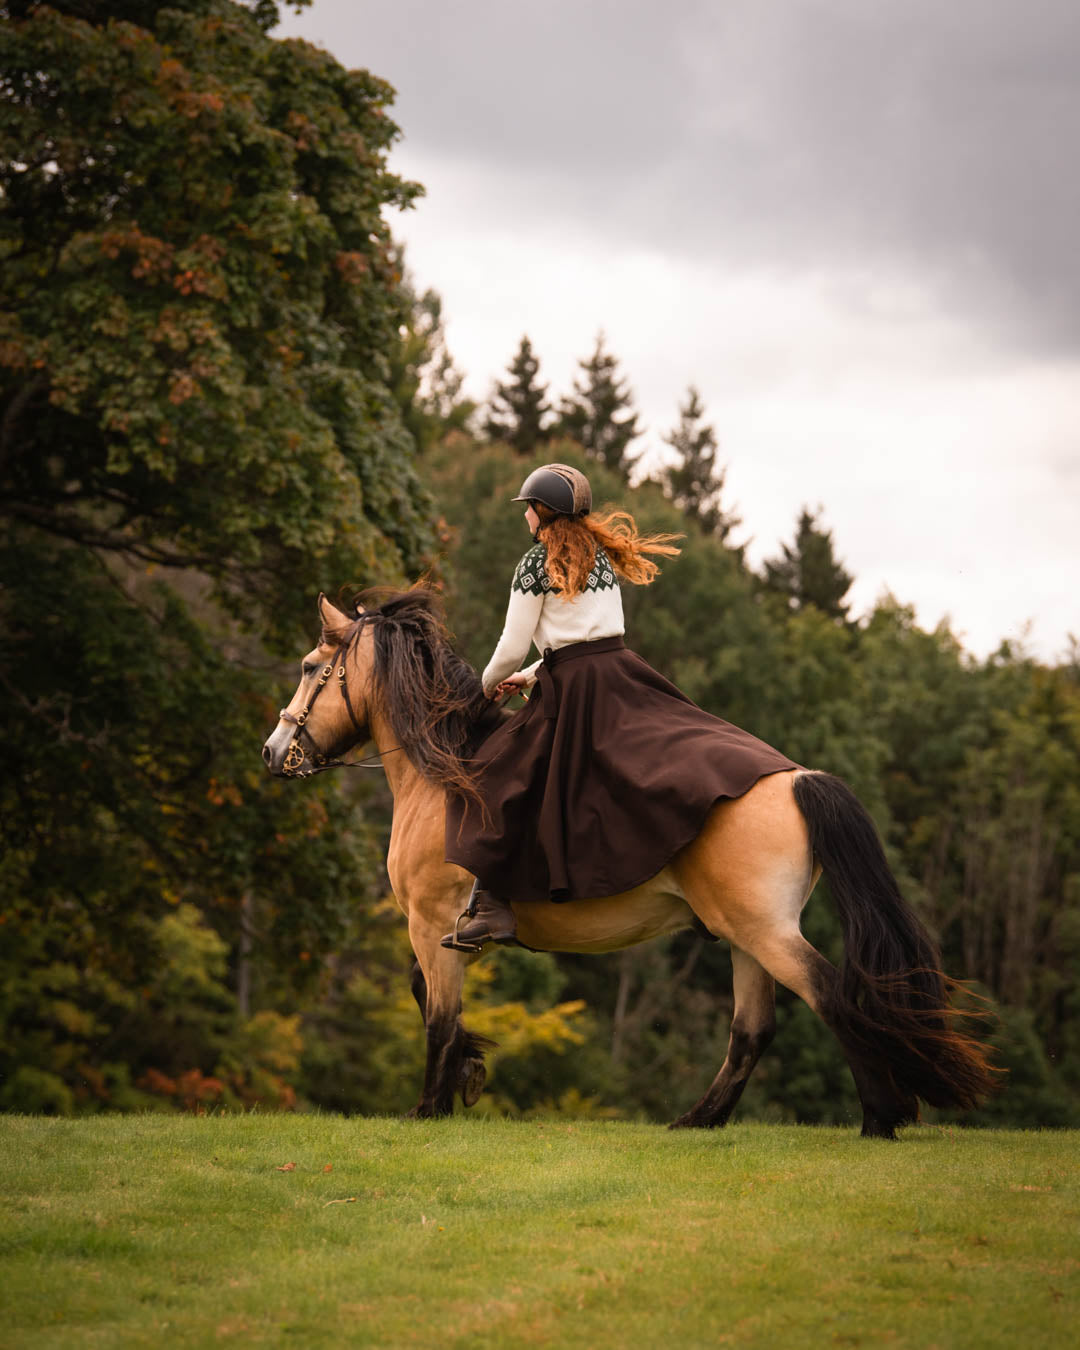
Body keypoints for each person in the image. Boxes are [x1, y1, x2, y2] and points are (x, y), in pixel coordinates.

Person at [441, 462, 797, 952]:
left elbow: (509, 645)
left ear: (543, 511)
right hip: (617, 672)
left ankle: (492, 907)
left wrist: (485, 687)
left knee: (497, 771)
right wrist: (532, 674)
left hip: (575, 688)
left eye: (528, 507)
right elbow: (588, 635)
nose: (525, 516)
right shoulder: (600, 558)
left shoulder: (534, 563)